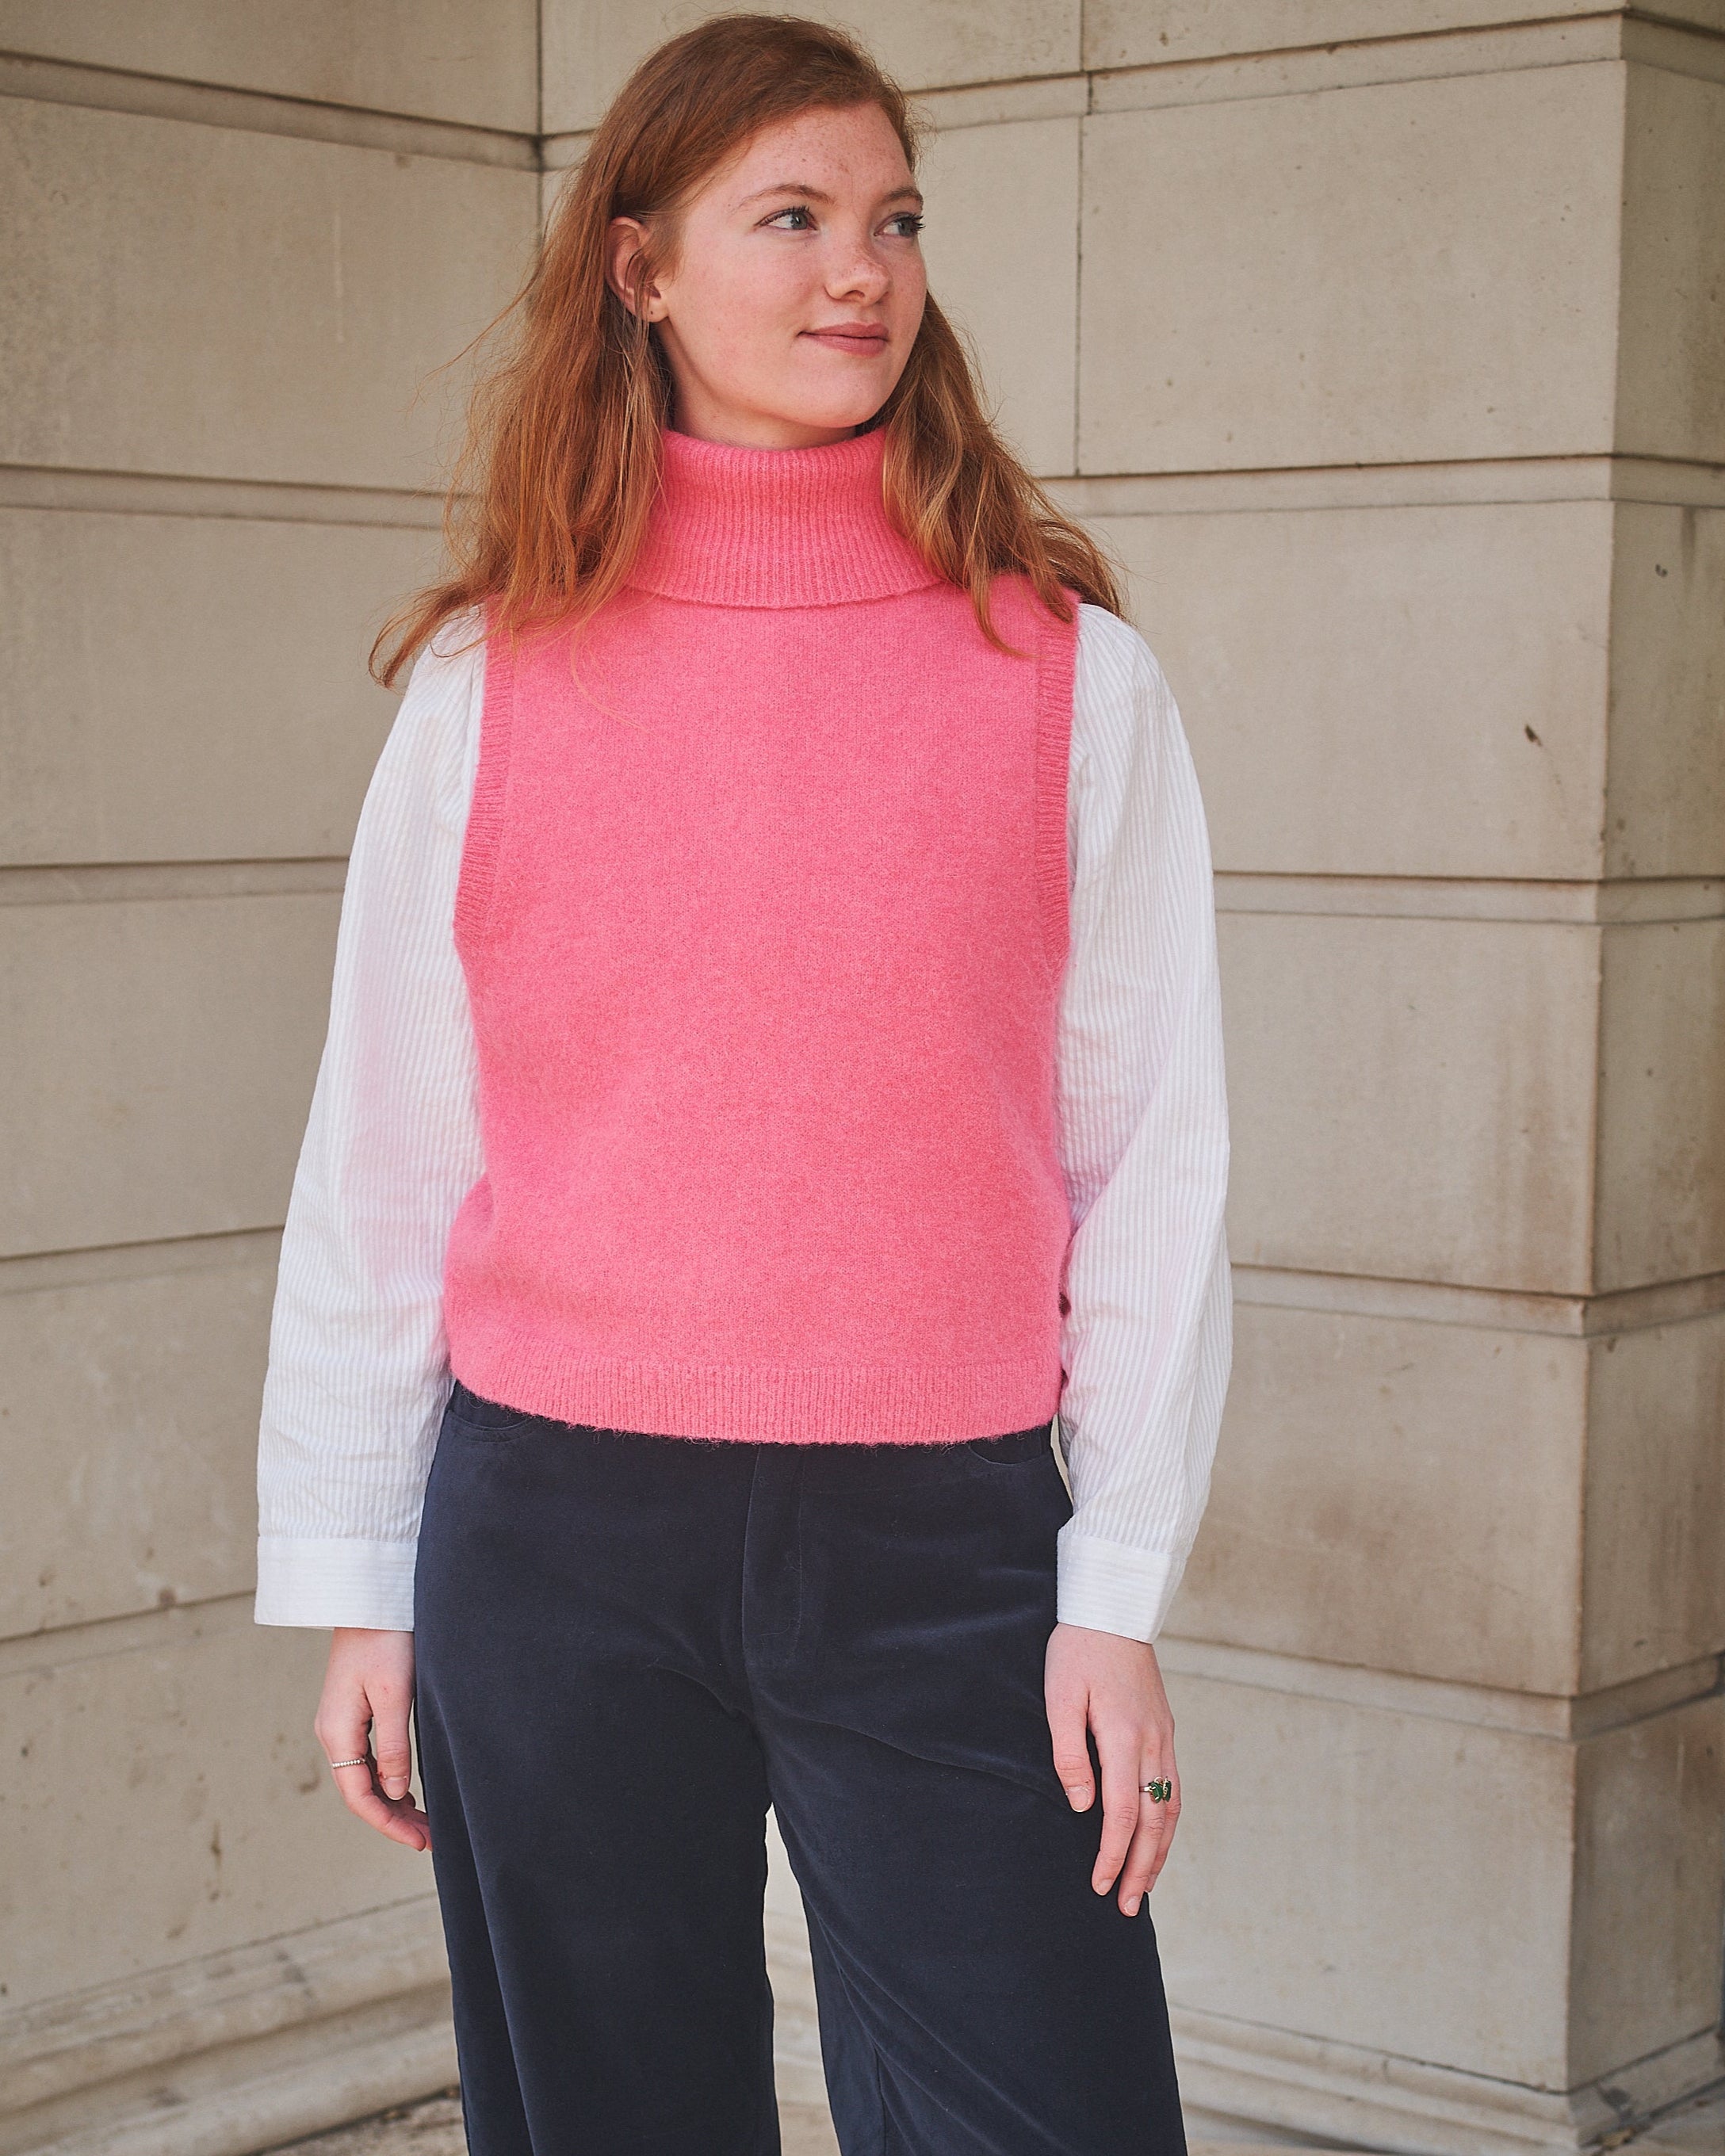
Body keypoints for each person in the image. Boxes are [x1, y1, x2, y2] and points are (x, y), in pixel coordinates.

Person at [254, 15, 1232, 2154]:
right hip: (553, 1534)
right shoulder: (492, 675)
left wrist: (1113, 1592)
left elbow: (1151, 1155)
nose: (855, 272)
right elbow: (394, 1146)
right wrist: (355, 1571)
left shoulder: (1065, 673)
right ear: (643, 270)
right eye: (787, 219)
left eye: (889, 221)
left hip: (946, 1540)